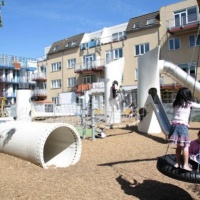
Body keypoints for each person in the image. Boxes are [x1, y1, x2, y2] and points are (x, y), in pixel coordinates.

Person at [168, 87, 200, 171]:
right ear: (188, 95)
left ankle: (178, 164)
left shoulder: (175, 103)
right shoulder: (189, 103)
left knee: (178, 147)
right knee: (186, 146)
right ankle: (185, 165)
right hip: (182, 126)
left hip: (173, 126)